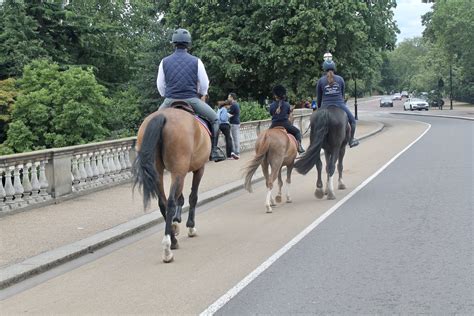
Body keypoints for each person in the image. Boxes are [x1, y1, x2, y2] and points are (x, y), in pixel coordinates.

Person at [156, 28, 226, 162]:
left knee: (151, 123)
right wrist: (202, 93)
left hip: (170, 100)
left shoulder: (164, 61)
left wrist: (167, 95)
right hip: (191, 99)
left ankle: (150, 153)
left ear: (173, 43)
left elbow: (160, 85)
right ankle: (214, 151)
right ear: (188, 44)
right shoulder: (196, 61)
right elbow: (205, 83)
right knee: (215, 119)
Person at [316, 60, 359, 148]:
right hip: (340, 104)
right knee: (353, 121)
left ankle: (316, 143)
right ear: (334, 68)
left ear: (324, 69)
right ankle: (351, 140)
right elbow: (342, 94)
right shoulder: (340, 79)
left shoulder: (320, 81)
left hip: (325, 105)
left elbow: (319, 98)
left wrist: (319, 108)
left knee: (316, 124)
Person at [269, 85, 305, 154]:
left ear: (275, 95)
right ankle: (299, 148)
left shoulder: (271, 105)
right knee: (297, 132)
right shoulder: (287, 104)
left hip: (273, 125)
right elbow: (288, 114)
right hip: (285, 124)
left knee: (265, 136)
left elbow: (271, 114)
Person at [227, 92, 241, 159]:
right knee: (235, 138)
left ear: (232, 98)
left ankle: (237, 153)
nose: (228, 98)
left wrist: (223, 113)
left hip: (234, 123)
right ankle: (236, 153)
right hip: (236, 123)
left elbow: (230, 114)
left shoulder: (234, 105)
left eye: (229, 97)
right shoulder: (235, 104)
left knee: (235, 138)